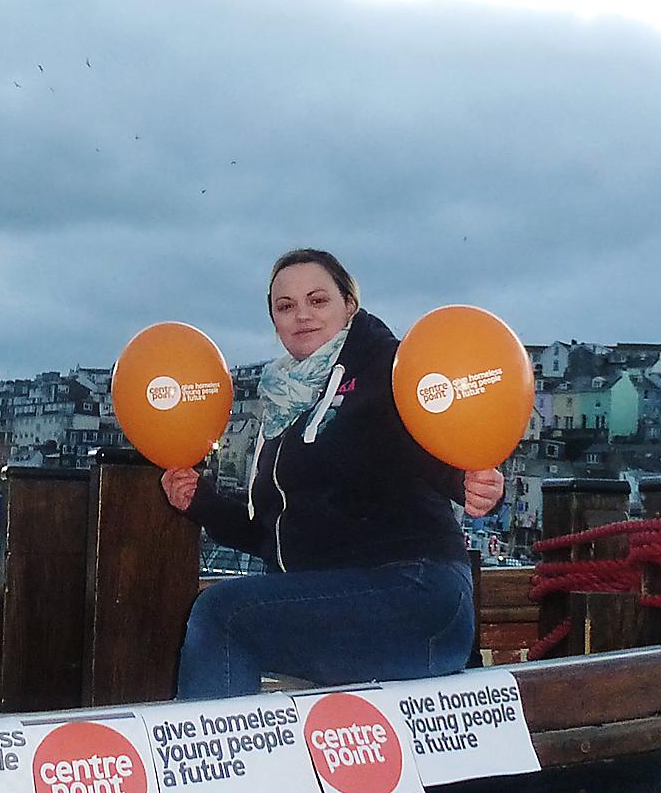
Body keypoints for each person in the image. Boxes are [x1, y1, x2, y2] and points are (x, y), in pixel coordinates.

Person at [162, 248, 504, 700]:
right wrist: (199, 501)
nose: (301, 314)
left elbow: (429, 437)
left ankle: (217, 767)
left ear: (350, 306)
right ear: (275, 321)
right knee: (227, 619)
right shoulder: (285, 406)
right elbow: (269, 533)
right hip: (337, 599)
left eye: (317, 300)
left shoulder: (388, 371)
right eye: (285, 306)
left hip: (415, 593)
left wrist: (469, 482)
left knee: (223, 614)